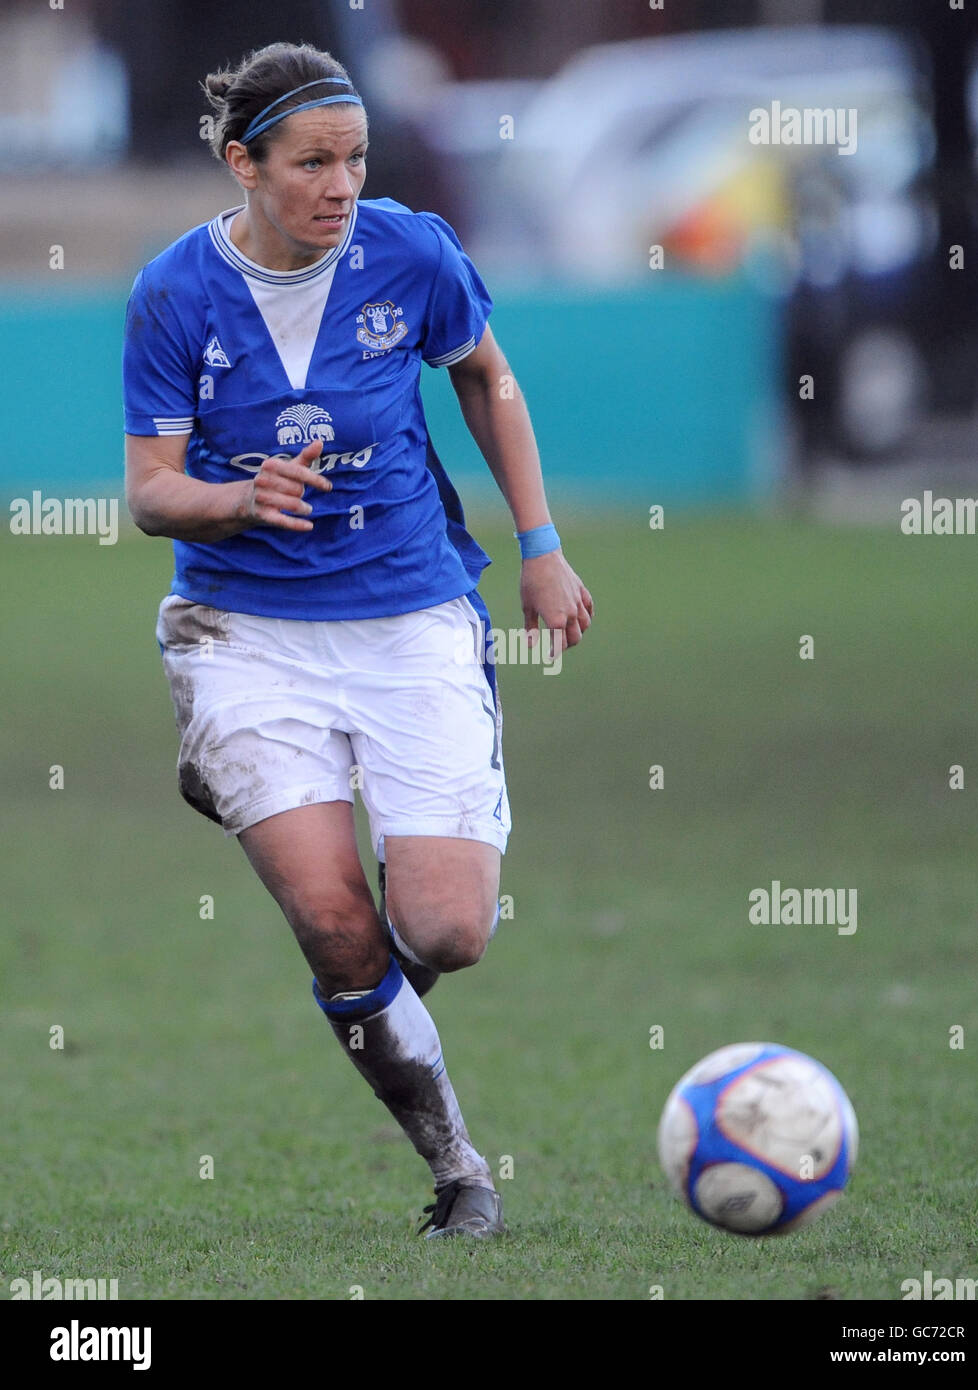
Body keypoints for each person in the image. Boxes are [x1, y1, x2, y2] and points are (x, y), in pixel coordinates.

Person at [122, 41, 593, 1239]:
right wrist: (237, 497)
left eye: (356, 158)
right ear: (244, 164)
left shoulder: (413, 253)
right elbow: (150, 492)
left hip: (408, 617)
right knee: (336, 925)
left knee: (444, 930)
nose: (341, 185)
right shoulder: (173, 294)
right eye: (312, 163)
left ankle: (365, 988)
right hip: (245, 633)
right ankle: (461, 1174)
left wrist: (540, 547)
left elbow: (487, 379)